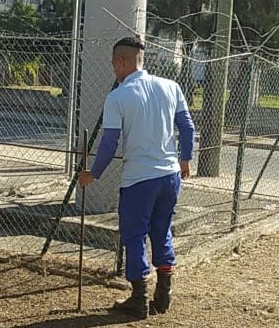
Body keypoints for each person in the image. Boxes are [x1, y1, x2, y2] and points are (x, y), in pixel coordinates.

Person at [78, 36, 195, 319]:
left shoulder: (118, 96)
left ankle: (139, 299)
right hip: (169, 176)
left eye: (113, 64)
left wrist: (93, 173)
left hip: (139, 179)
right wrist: (185, 159)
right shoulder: (171, 86)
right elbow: (187, 127)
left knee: (134, 235)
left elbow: (109, 143)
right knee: (162, 231)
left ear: (120, 61)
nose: (113, 70)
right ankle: (163, 295)